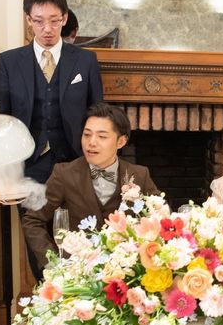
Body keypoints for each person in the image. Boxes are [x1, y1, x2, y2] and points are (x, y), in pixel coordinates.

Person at [22, 103, 159, 277]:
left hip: (126, 274)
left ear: (121, 141)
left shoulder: (139, 175)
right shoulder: (64, 174)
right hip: (78, 274)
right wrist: (54, 264)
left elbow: (161, 217)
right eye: (87, 134)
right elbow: (32, 220)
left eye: (102, 136)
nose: (91, 142)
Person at [0, 0, 103, 184]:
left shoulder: (86, 60)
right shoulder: (9, 62)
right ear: (28, 19)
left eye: (54, 21)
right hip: (26, 162)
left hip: (74, 159)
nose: (47, 29)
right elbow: (3, 118)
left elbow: (98, 112)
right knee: (31, 207)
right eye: (38, 21)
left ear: (64, 18)